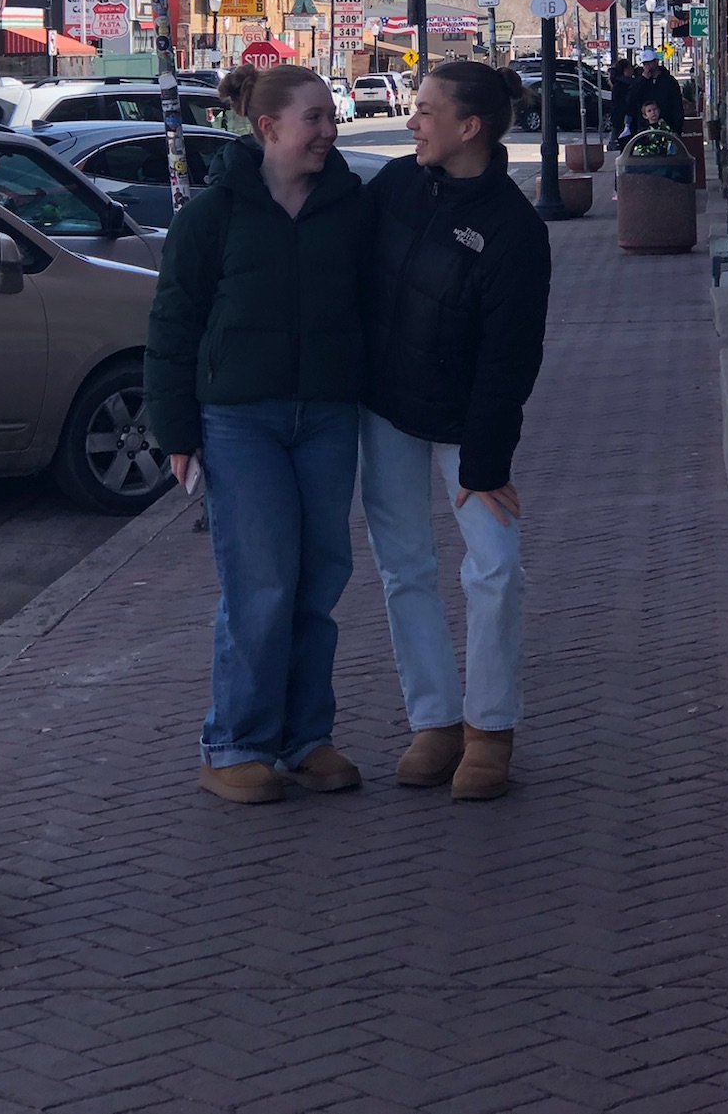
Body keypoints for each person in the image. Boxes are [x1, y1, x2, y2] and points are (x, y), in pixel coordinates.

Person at [145, 64, 367, 805]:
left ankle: (305, 737)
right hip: (240, 420)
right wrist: (174, 430)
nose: (328, 131)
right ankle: (235, 741)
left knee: (319, 575)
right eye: (314, 118)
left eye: (331, 116)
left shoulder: (348, 205)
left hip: (328, 413)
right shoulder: (212, 216)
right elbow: (173, 325)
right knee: (261, 580)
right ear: (268, 127)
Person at [360, 62, 553, 802]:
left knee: (496, 568)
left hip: (466, 427)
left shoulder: (513, 229)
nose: (412, 121)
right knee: (402, 567)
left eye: (424, 110)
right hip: (383, 410)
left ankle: (490, 728)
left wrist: (485, 459)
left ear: (467, 127)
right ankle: (434, 721)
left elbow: (512, 355)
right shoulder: (396, 187)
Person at [636, 48, 686, 136]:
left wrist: (677, 129)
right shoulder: (641, 82)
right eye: (644, 64)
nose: (647, 66)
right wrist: (642, 80)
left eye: (649, 63)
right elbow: (632, 100)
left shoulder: (669, 81)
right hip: (646, 130)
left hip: (667, 127)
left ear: (656, 62)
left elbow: (677, 105)